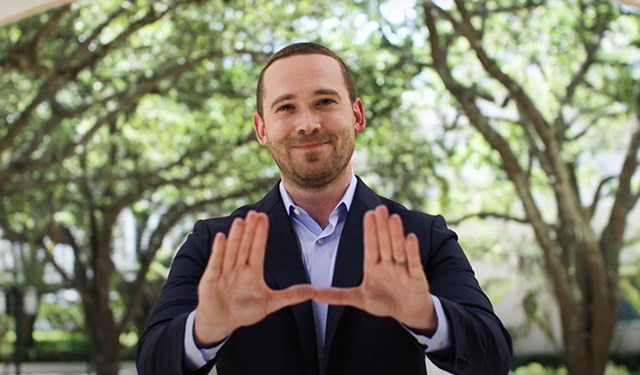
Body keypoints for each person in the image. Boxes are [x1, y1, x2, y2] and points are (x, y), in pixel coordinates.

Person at [136, 42, 512, 375]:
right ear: (261, 128)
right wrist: (205, 328)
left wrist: (425, 316)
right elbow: (152, 362)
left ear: (357, 115)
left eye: (325, 102)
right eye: (286, 107)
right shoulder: (214, 243)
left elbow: (493, 357)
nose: (308, 124)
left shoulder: (421, 237)